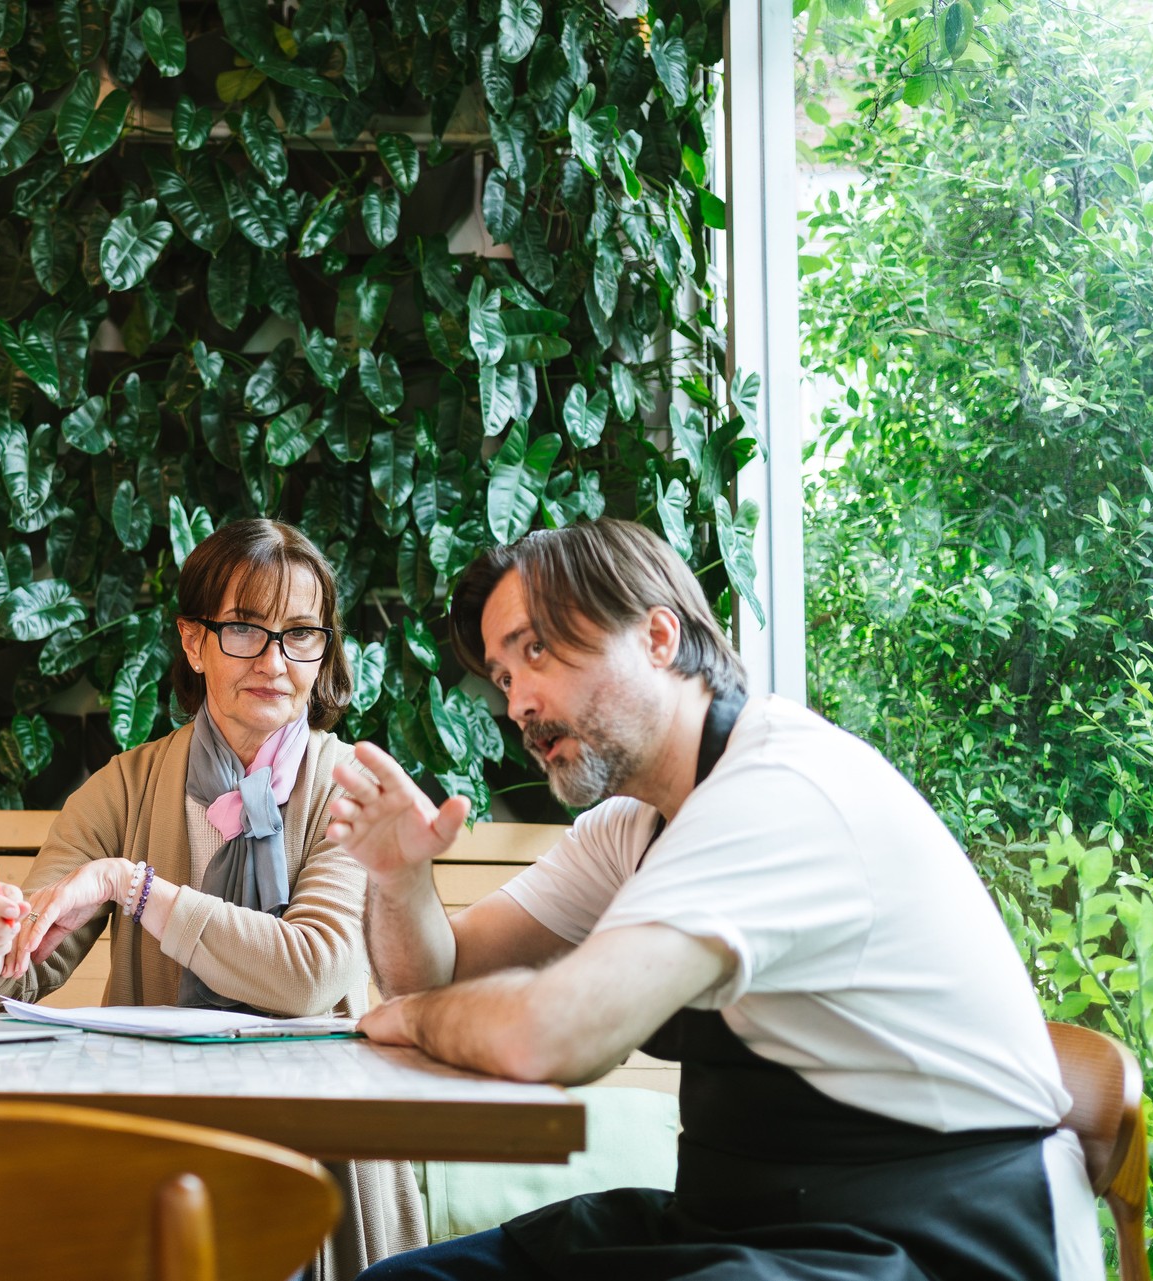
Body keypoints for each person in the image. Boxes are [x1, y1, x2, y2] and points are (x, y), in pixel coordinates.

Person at [327, 517, 1097, 1281]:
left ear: (658, 637)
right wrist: (399, 878)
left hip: (938, 1236)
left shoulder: (776, 790)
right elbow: (435, 973)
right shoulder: (631, 827)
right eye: (502, 676)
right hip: (741, 1221)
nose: (518, 702)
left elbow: (547, 1036)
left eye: (536, 650)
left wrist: (416, 1018)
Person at [0, 517, 424, 1281]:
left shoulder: (351, 787)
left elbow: (312, 971)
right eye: (243, 629)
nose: (274, 660)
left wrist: (132, 884)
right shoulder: (125, 787)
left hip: (323, 1154)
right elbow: (21, 967)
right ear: (194, 642)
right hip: (155, 1135)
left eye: (301, 633)